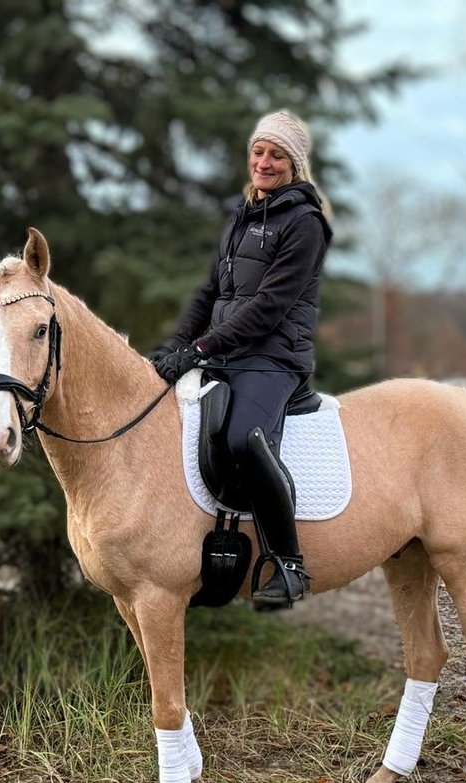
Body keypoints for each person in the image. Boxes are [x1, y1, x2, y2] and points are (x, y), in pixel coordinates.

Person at [149, 110, 333, 609]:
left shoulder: (305, 223)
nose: (264, 162)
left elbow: (270, 306)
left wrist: (202, 349)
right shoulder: (242, 216)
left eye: (276, 155)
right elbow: (211, 293)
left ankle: (290, 565)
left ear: (294, 164)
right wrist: (174, 347)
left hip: (274, 357)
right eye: (258, 151)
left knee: (242, 439)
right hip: (230, 355)